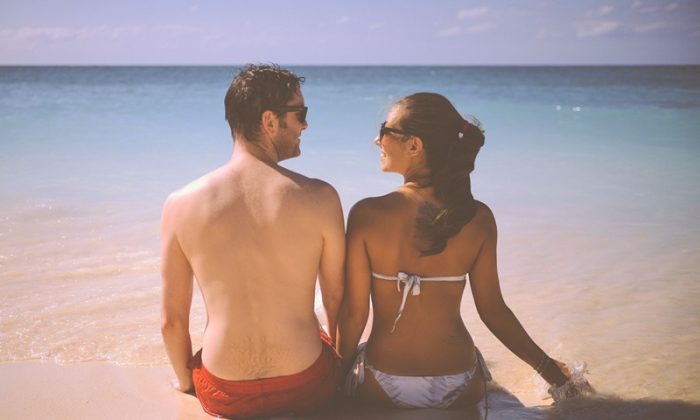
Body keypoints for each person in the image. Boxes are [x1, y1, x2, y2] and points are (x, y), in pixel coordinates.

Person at [336, 92, 574, 411]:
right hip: (459, 382)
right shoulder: (477, 217)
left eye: (384, 130)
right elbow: (493, 311)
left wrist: (335, 381)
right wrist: (550, 371)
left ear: (414, 146)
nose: (376, 141)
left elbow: (354, 314)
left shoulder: (367, 214)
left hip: (384, 380)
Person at [160, 64, 345, 418]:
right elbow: (337, 301)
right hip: (306, 385)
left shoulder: (180, 203)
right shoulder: (320, 197)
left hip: (224, 391)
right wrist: (339, 370)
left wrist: (186, 383)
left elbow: (171, 320)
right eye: (300, 114)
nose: (306, 124)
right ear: (270, 121)